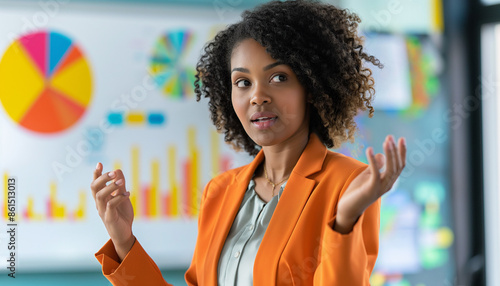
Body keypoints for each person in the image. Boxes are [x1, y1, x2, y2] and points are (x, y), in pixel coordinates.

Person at [91, 0, 406, 285]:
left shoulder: (348, 183)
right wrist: (124, 242)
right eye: (243, 82)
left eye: (278, 77)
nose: (258, 97)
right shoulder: (221, 191)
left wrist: (345, 220)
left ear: (310, 87)